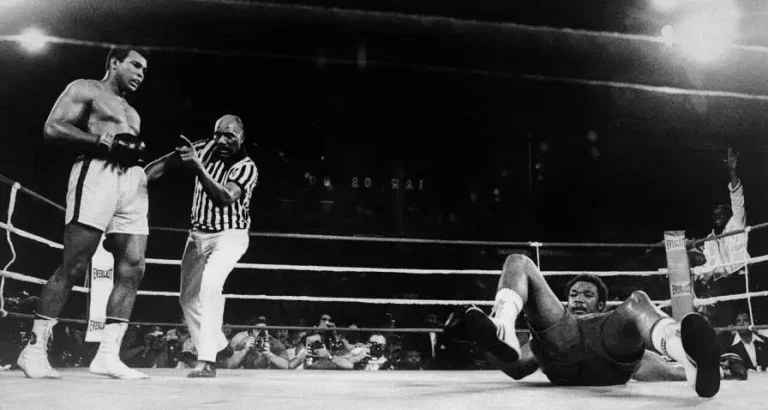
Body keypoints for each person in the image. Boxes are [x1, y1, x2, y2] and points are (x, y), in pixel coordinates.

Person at [17, 47, 150, 379]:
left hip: (130, 183)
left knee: (133, 267)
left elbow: (125, 147)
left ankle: (107, 355)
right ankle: (33, 350)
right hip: (96, 174)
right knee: (74, 265)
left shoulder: (132, 113)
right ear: (114, 62)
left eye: (145, 70)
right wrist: (103, 142)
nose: (140, 74)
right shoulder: (87, 88)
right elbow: (53, 127)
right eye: (135, 65)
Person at [446, 254, 740, 398]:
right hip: (565, 344)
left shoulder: (612, 325)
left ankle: (684, 350)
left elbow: (660, 369)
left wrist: (720, 367)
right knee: (518, 262)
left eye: (587, 295)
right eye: (573, 294)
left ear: (602, 304)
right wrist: (483, 341)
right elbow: (516, 365)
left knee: (637, 302)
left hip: (607, 348)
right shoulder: (551, 336)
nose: (578, 299)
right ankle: (503, 324)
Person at [144, 114, 258, 378]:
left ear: (241, 138)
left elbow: (225, 197)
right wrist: (140, 177)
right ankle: (218, 345)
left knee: (210, 286)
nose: (222, 140)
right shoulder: (204, 147)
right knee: (187, 298)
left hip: (230, 235)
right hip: (197, 235)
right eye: (218, 134)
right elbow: (167, 163)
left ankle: (207, 360)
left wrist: (198, 168)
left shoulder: (246, 167)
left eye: (229, 135)